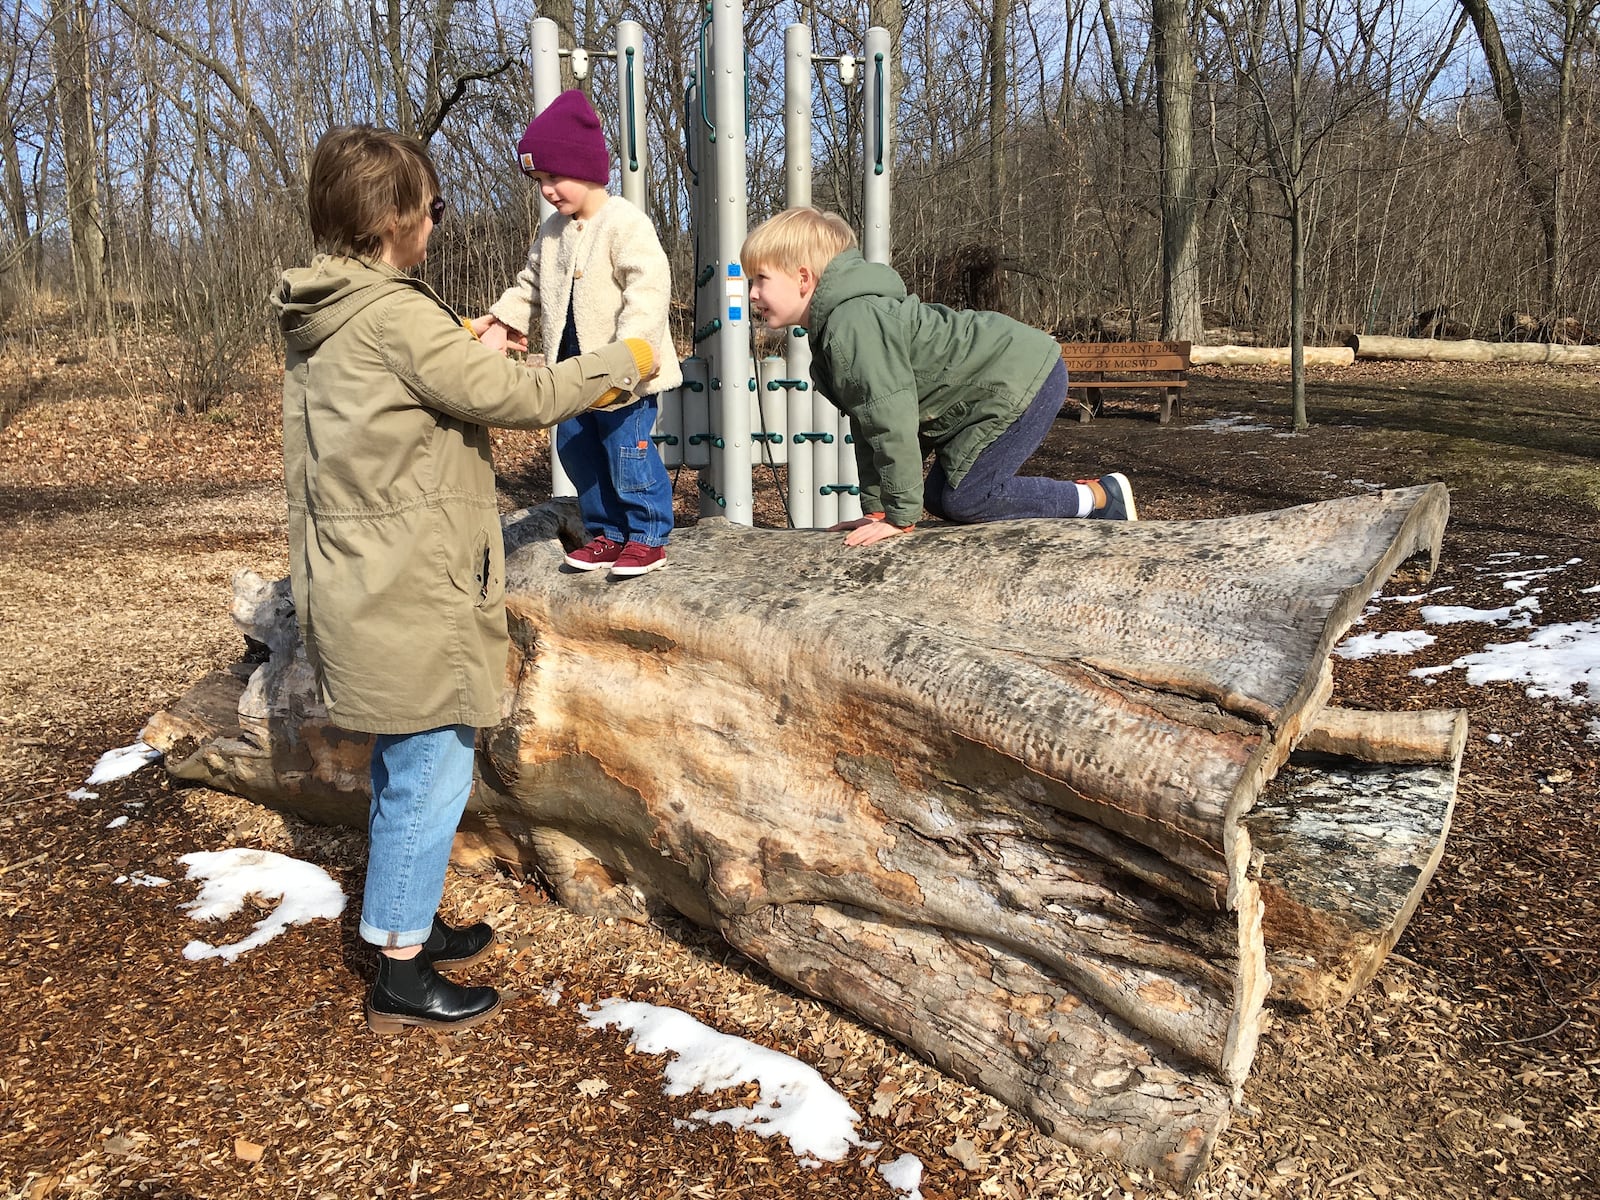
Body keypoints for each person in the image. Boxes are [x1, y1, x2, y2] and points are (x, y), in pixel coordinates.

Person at [272, 125, 655, 1034]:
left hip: (370, 571)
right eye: (434, 208)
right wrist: (624, 362)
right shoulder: (393, 315)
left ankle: (408, 923)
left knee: (414, 760)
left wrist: (473, 344)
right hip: (409, 583)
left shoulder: (331, 309)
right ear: (394, 219)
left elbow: (432, 389)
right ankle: (399, 970)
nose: (439, 224)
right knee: (431, 765)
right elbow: (515, 402)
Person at [741, 207, 1136, 546]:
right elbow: (870, 426)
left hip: (1022, 376)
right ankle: (1096, 498)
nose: (753, 293)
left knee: (967, 498)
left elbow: (890, 423)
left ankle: (1101, 498)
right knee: (941, 497)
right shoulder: (839, 327)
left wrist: (899, 517)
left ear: (803, 278)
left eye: (761, 278)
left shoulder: (854, 323)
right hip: (993, 384)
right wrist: (879, 510)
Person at [479, 89, 682, 577]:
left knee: (626, 452)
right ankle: (607, 533)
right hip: (569, 376)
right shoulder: (551, 231)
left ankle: (648, 534)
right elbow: (529, 283)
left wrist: (635, 349)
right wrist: (504, 318)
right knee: (579, 452)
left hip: (621, 373)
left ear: (587, 167)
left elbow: (648, 286)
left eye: (555, 176)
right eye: (539, 180)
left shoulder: (624, 223)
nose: (548, 189)